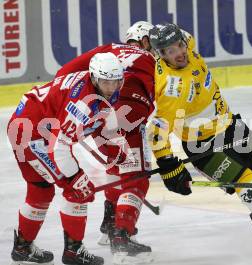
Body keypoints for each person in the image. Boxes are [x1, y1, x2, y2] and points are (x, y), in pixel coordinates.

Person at [146, 23, 252, 264]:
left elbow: (180, 37)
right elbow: (158, 129)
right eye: (169, 51)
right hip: (203, 147)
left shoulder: (189, 45)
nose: (178, 53)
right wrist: (167, 164)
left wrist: (159, 30)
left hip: (231, 127)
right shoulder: (171, 87)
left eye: (179, 46)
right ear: (160, 55)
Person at [7, 52, 126, 265]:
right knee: (77, 191)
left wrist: (114, 155)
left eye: (115, 81)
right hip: (32, 135)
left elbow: (92, 128)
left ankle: (23, 248)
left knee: (40, 189)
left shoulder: (95, 89)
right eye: (105, 82)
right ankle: (74, 252)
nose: (111, 88)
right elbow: (59, 148)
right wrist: (75, 179)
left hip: (27, 125)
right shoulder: (82, 104)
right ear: (93, 78)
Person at [55, 22, 156, 264]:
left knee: (116, 164)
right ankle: (121, 234)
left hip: (98, 112)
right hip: (130, 113)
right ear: (143, 41)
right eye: (151, 42)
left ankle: (109, 223)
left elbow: (65, 73)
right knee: (137, 176)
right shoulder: (153, 59)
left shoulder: (110, 50)